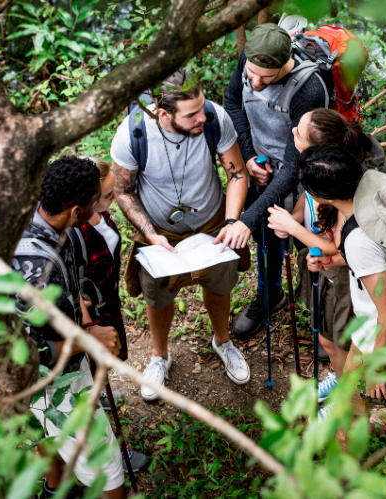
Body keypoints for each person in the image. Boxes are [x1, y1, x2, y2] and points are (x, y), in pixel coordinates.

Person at [111, 71, 253, 397]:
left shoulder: (214, 118)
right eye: (191, 115)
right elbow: (123, 191)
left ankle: (223, 341)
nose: (202, 117)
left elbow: (237, 174)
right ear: (164, 114)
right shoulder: (132, 133)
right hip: (159, 231)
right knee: (158, 296)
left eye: (202, 108)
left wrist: (231, 221)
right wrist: (149, 234)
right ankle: (160, 357)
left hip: (213, 223)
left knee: (219, 284)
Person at [14, 156, 125, 499]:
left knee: (46, 434)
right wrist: (88, 340)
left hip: (67, 356)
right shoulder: (36, 271)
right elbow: (28, 355)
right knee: (107, 470)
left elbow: (72, 280)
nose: (101, 210)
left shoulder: (56, 224)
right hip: (49, 381)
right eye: (95, 204)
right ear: (76, 209)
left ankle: (56, 487)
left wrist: (85, 317)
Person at [298, 146, 386, 425]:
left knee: (349, 408)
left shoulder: (359, 239)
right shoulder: (372, 196)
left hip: (377, 335)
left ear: (323, 196)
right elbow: (379, 262)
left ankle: (346, 462)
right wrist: (331, 260)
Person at [265, 108, 386, 402]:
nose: (292, 131)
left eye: (299, 133)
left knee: (338, 341)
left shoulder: (348, 191)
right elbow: (308, 202)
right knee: (326, 337)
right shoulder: (321, 171)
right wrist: (294, 220)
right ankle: (340, 375)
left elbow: (342, 244)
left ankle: (347, 397)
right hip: (322, 263)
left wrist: (292, 229)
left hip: (346, 276)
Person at [222, 23, 329, 340]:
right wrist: (250, 155)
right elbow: (232, 102)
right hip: (261, 161)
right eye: (251, 74)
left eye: (265, 79)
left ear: (283, 64)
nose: (254, 83)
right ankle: (270, 295)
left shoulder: (309, 89)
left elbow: (296, 162)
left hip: (302, 172)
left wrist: (245, 219)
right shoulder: (251, 57)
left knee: (312, 243)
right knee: (267, 240)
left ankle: (321, 316)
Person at [76, 157, 150, 471]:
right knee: (87, 377)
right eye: (107, 196)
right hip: (88, 319)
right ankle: (110, 450)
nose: (113, 200)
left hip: (108, 305)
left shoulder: (101, 215)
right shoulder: (73, 230)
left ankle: (101, 389)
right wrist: (88, 324)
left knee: (105, 364)